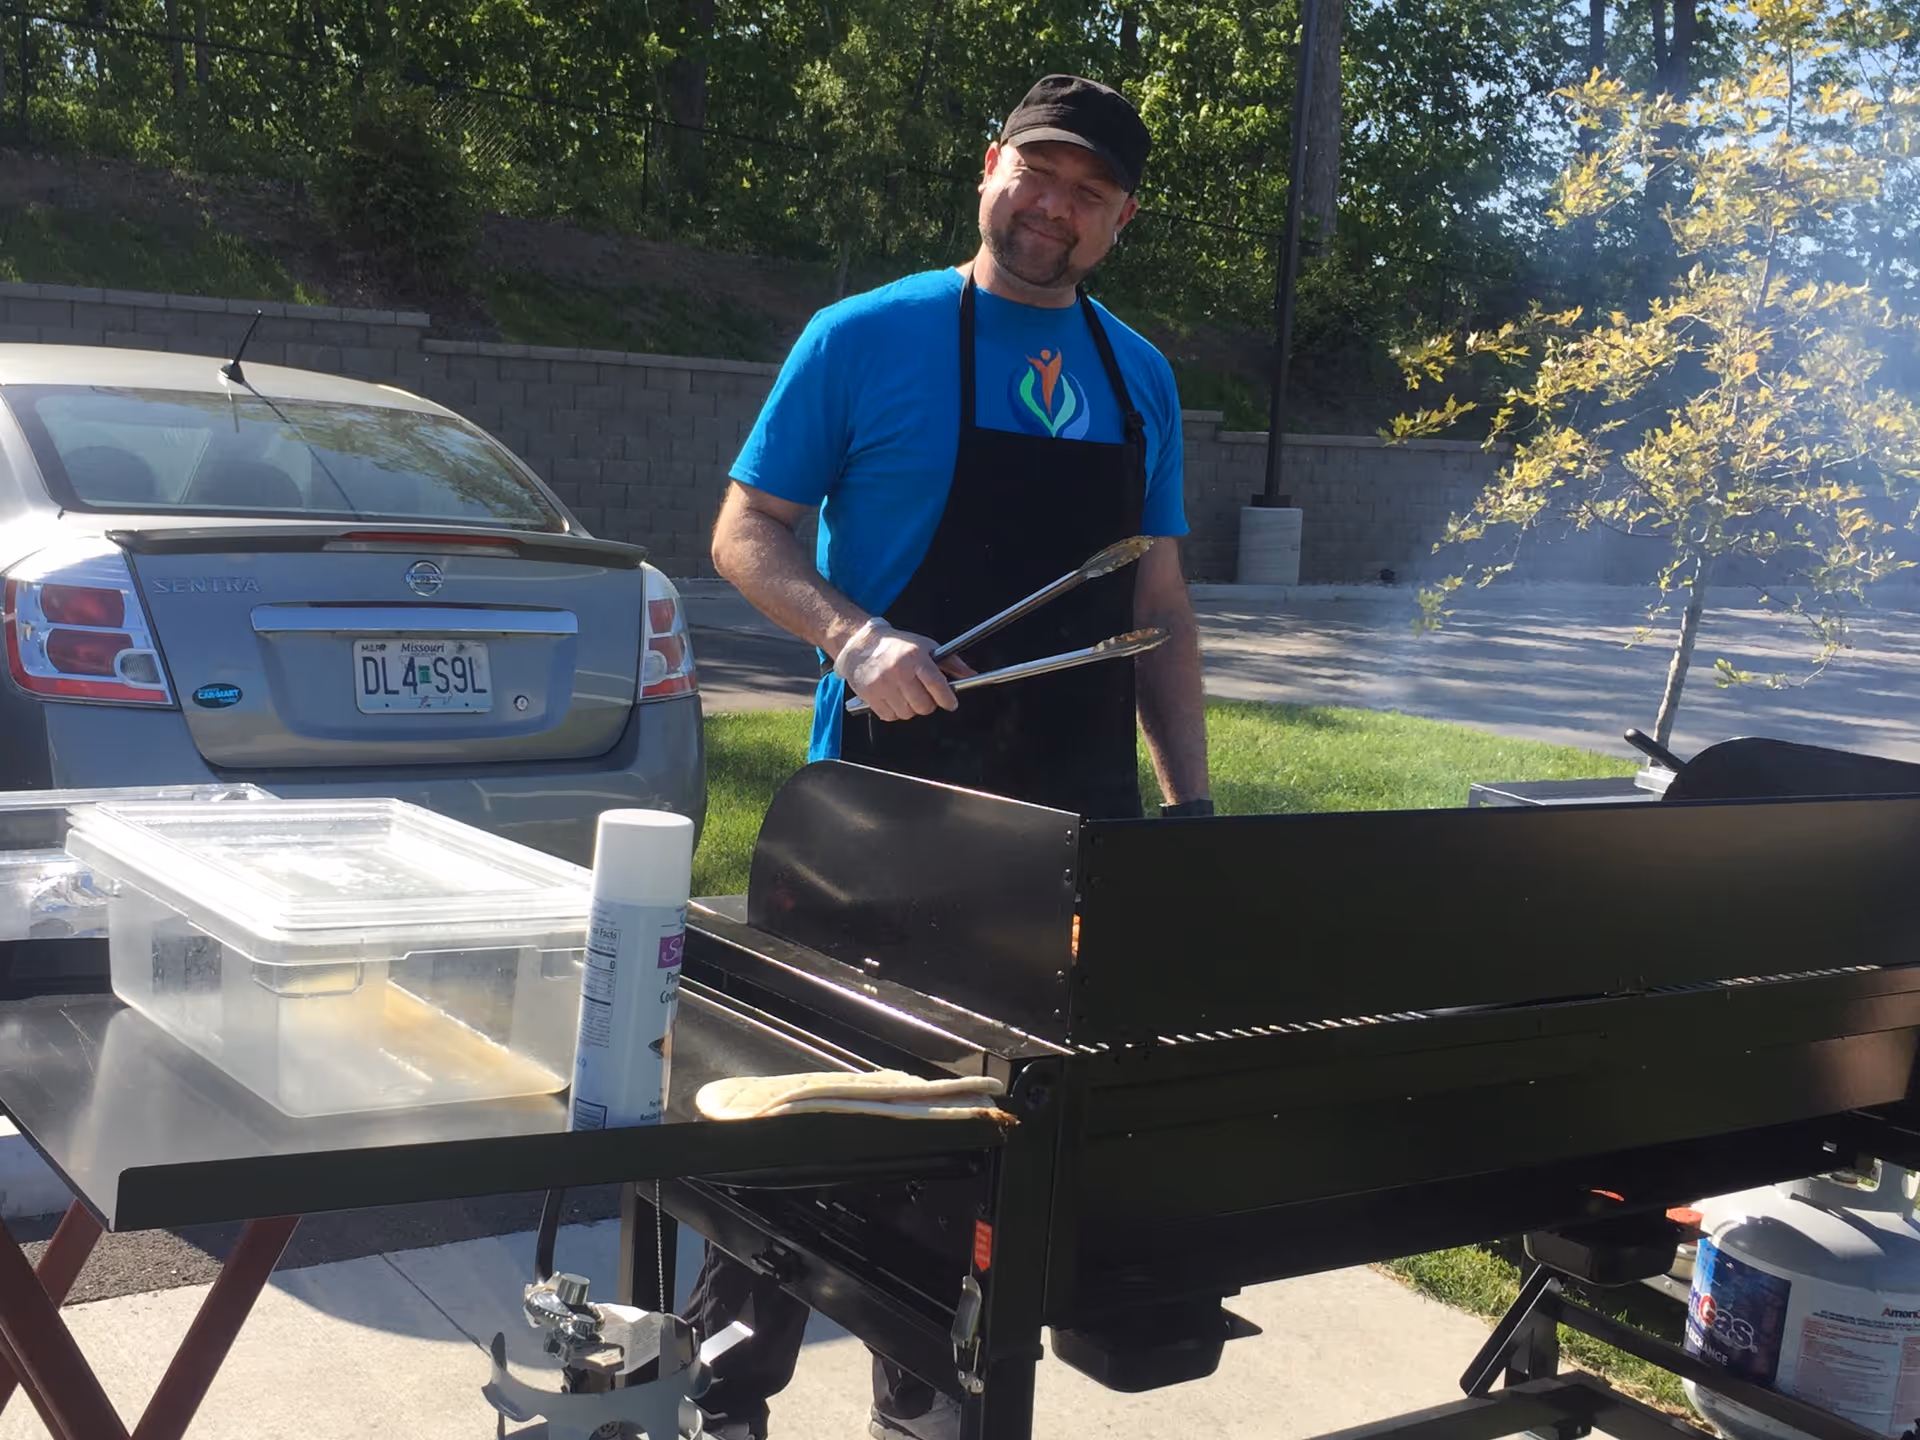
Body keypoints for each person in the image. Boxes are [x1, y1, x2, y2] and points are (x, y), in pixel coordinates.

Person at [692, 73, 1212, 1440]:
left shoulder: (1137, 373)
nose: (1056, 208)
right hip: (877, 810)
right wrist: (855, 637)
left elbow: (1155, 607)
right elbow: (747, 534)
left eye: (1089, 193)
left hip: (1063, 828)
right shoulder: (863, 336)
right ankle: (723, 1389)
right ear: (990, 170)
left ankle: (921, 1396)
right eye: (1038, 173)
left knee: (976, 1152)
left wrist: (1193, 802)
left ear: (1120, 220)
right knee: (802, 1123)